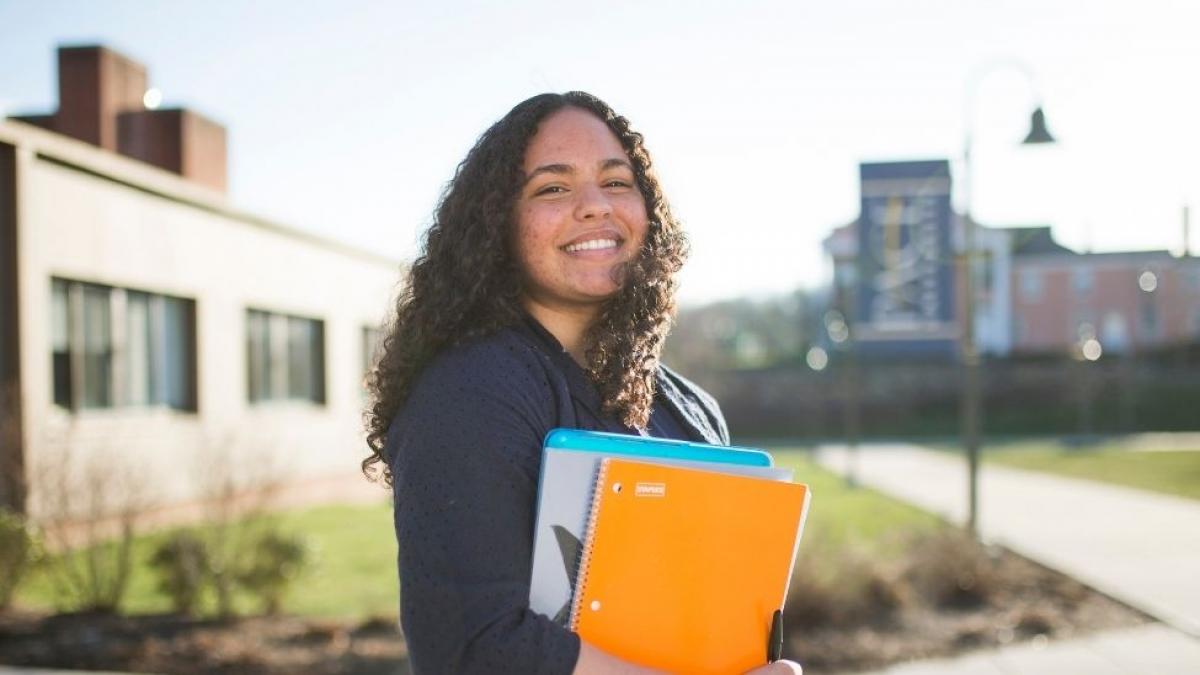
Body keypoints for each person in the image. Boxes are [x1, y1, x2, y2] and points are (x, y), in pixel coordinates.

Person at [363, 91, 801, 675]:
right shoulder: (469, 395)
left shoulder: (691, 409)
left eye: (617, 182)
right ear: (498, 224)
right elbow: (474, 648)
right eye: (553, 187)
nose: (595, 206)